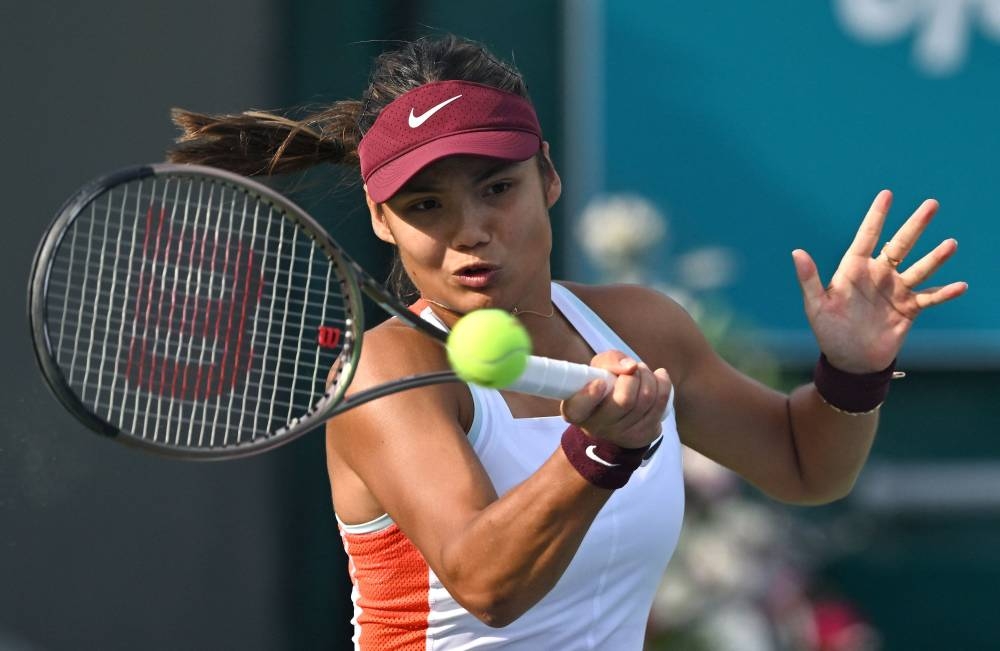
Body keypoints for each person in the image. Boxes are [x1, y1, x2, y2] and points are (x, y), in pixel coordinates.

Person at [167, 34, 966, 650]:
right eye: (426, 205)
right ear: (383, 221)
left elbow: (804, 464)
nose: (470, 231)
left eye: (497, 187)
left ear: (547, 178)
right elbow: (487, 582)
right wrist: (599, 450)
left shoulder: (643, 326)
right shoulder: (389, 369)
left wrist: (852, 372)